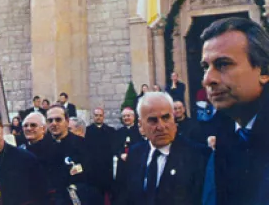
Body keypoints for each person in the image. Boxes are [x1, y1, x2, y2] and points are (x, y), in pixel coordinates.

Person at [200, 17, 269, 204]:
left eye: (223, 64)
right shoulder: (223, 141)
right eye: (205, 67)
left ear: (263, 71)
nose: (208, 79)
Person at [115, 92, 210, 205]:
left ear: (174, 119)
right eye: (153, 120)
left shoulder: (198, 155)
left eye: (166, 118)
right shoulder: (135, 154)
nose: (161, 126)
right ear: (140, 124)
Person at [47, 105, 88, 204]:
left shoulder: (83, 145)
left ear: (67, 121)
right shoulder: (41, 146)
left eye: (58, 120)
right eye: (50, 120)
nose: (54, 123)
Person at [85, 108, 115, 205]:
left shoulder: (110, 131)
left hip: (106, 169)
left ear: (103, 116)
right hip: (92, 170)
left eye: (100, 115)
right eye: (96, 115)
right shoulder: (87, 131)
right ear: (93, 116)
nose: (98, 117)